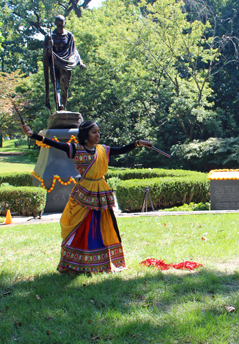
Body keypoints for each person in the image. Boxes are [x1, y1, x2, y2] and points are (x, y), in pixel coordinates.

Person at [23, 121, 152, 274]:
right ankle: (76, 263)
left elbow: (122, 150)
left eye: (98, 132)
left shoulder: (103, 149)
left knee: (100, 224)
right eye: (94, 132)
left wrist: (138, 143)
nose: (98, 135)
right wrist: (33, 135)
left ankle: (102, 262)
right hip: (84, 193)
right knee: (80, 225)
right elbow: (52, 143)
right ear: (85, 135)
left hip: (101, 191)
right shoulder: (75, 149)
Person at [43, 15, 86, 111]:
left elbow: (74, 50)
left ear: (64, 23)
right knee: (56, 86)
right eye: (58, 24)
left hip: (66, 63)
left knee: (65, 87)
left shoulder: (69, 35)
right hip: (54, 63)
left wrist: (80, 62)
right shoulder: (49, 36)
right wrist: (49, 47)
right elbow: (45, 52)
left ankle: (63, 105)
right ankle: (58, 106)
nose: (60, 26)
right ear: (55, 24)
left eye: (61, 24)